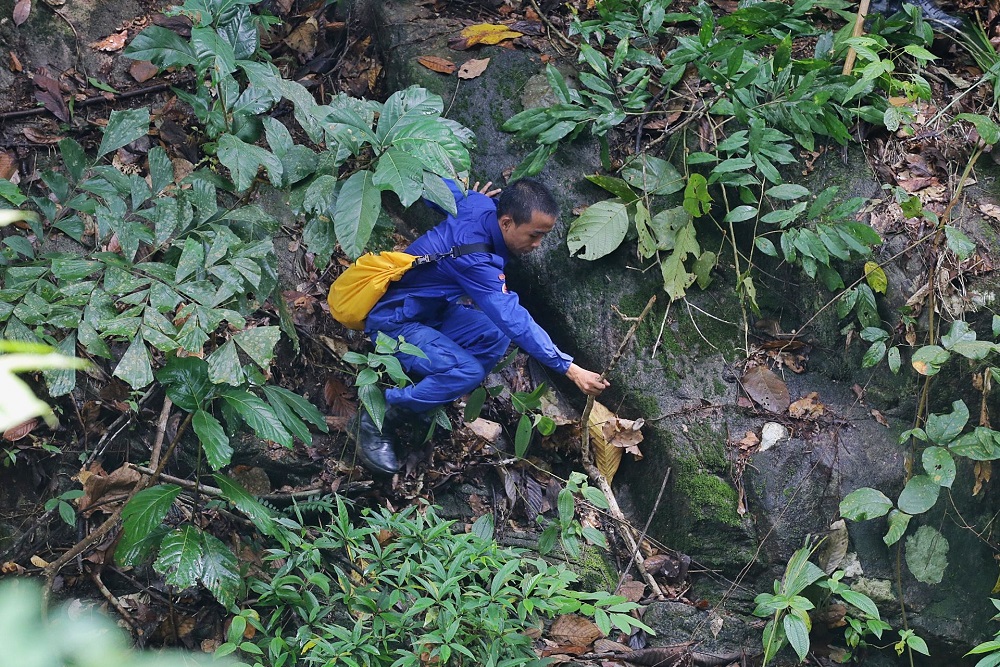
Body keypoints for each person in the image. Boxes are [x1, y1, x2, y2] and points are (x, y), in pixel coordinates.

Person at [351, 177, 609, 474]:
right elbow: (514, 318)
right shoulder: (477, 260)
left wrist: (469, 195)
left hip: (431, 313)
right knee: (469, 369)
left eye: (543, 237)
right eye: (533, 235)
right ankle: (379, 414)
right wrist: (570, 369)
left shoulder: (480, 205)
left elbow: (428, 185)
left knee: (495, 335)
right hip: (394, 323)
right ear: (507, 223)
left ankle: (428, 395)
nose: (537, 246)